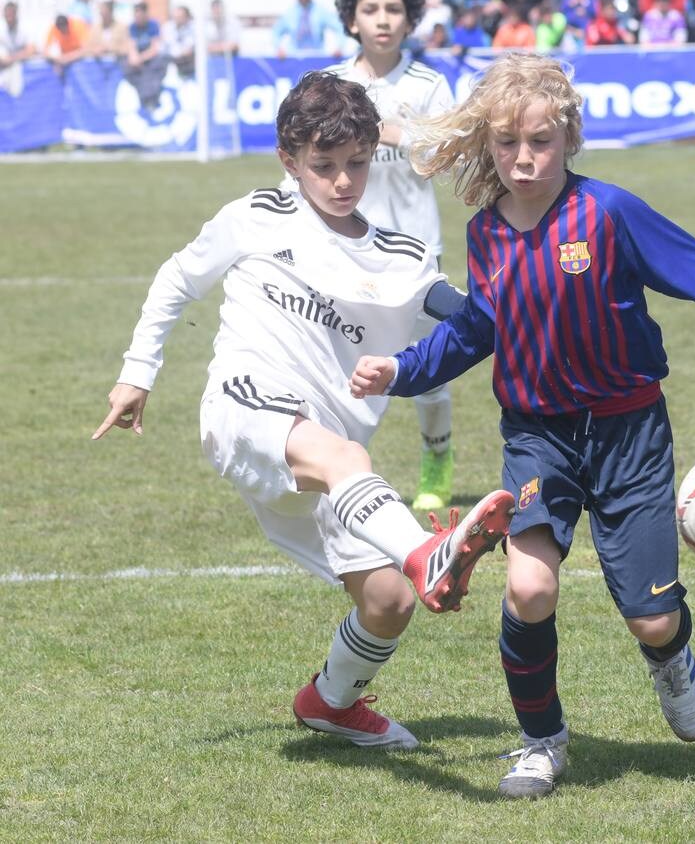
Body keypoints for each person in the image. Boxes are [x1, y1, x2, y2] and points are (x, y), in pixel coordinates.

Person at [349, 52, 695, 797]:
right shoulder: (486, 234)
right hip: (536, 436)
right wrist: (403, 369)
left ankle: (671, 658)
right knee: (530, 591)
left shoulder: (607, 213)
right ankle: (542, 743)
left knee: (650, 620)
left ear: (568, 139)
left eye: (539, 142)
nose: (522, 159)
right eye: (507, 144)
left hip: (629, 432)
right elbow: (479, 328)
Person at [93, 70, 514, 748]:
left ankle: (331, 701)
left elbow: (470, 322)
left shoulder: (400, 257)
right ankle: (428, 551)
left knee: (388, 600)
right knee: (350, 460)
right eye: (323, 166)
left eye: (355, 163)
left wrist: (537, 327)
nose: (342, 181)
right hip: (246, 404)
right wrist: (136, 374)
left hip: (323, 469)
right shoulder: (254, 217)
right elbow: (176, 280)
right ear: (290, 161)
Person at [322, 0, 459, 511]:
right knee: (341, 371)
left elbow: (443, 157)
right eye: (371, 9)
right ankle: (345, 471)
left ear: (410, 20)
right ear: (352, 20)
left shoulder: (429, 85)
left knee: (428, 375)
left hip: (415, 251)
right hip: (343, 249)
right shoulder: (331, 85)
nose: (383, 19)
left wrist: (391, 132)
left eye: (394, 10)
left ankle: (437, 460)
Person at [272, 0, 343, 57]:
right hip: (294, 57)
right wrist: (279, 48)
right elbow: (276, 31)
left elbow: (339, 28)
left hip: (317, 56)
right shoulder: (290, 13)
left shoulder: (320, 11)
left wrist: (339, 47)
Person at [124, 1, 170, 109]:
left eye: (140, 15)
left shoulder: (153, 25)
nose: (138, 18)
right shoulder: (132, 27)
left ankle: (151, 100)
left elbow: (155, 48)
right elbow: (132, 45)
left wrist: (140, 58)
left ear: (146, 14)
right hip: (139, 60)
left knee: (154, 70)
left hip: (151, 59)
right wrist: (134, 58)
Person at [162, 5, 195, 77]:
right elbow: (168, 46)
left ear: (187, 17)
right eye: (175, 17)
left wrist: (182, 52)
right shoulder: (167, 27)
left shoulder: (193, 27)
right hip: (171, 61)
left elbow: (189, 47)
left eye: (180, 17)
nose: (177, 19)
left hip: (188, 62)